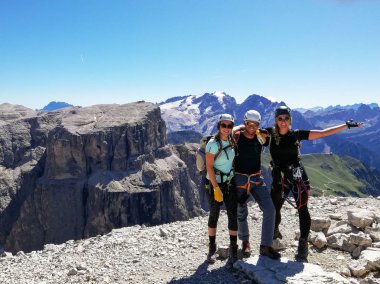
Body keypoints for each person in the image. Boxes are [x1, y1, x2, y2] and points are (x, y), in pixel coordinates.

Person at [267, 106, 363, 262]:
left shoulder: (297, 135)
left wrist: (345, 125)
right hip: (280, 177)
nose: (283, 122)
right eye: (280, 118)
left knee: (302, 209)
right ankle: (274, 233)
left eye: (286, 118)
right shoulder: (269, 134)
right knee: (274, 208)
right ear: (276, 120)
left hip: (297, 176)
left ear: (290, 119)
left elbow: (323, 132)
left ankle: (303, 243)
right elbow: (250, 130)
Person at [233, 110, 281, 260]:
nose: (252, 126)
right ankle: (245, 242)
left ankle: (265, 246)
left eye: (255, 124)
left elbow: (274, 136)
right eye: (249, 123)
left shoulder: (261, 138)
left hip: (256, 178)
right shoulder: (236, 137)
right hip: (240, 179)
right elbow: (232, 130)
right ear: (245, 123)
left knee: (270, 209)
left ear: (258, 125)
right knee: (241, 212)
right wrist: (238, 127)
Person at [205, 113, 238, 268]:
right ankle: (212, 247)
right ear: (218, 126)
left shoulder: (231, 139)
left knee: (233, 214)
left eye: (229, 125)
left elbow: (241, 128)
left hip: (229, 183)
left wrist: (250, 126)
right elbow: (209, 167)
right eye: (223, 125)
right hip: (214, 184)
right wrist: (216, 188)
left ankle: (233, 249)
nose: (226, 128)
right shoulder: (212, 144)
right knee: (214, 214)